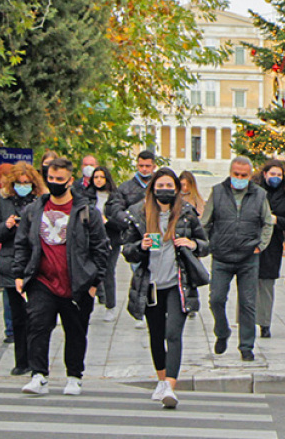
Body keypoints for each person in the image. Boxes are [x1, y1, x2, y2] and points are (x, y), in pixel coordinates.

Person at [14, 157, 109, 396]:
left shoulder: (87, 211)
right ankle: (38, 375)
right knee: (37, 326)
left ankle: (74, 376)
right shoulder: (34, 210)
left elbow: (101, 247)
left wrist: (95, 281)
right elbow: (22, 243)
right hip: (41, 280)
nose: (55, 182)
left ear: (70, 180)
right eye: (51, 178)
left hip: (77, 282)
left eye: (59, 179)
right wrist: (19, 274)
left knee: (76, 331)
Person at [122, 167, 210, 409]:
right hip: (150, 284)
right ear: (152, 188)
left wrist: (191, 243)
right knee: (156, 333)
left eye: (169, 187)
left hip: (177, 283)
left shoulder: (186, 213)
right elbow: (127, 251)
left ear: (177, 188)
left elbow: (205, 244)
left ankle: (170, 385)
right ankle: (161, 380)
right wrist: (141, 245)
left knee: (173, 334)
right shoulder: (138, 213)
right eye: (160, 186)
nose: (165, 191)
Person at [205, 156, 275, 361]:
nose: (239, 178)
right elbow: (206, 222)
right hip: (222, 255)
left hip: (248, 257)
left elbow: (267, 222)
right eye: (236, 174)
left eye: (244, 175)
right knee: (216, 298)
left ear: (250, 175)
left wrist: (260, 245)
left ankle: (246, 346)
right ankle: (222, 331)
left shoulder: (259, 194)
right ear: (230, 173)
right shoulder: (217, 192)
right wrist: (209, 244)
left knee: (248, 303)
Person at [0, 161, 45, 376]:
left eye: (27, 183)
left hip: (35, 264)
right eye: (19, 183)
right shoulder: (3, 204)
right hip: (11, 264)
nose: (23, 186)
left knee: (37, 316)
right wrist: (7, 225)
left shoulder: (40, 203)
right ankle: (21, 361)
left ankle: (36, 360)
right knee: (18, 316)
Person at [105, 150, 158, 323]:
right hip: (135, 236)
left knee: (156, 270)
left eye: (147, 166)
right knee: (139, 271)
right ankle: (141, 309)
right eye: (141, 166)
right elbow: (114, 208)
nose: (144, 169)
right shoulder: (126, 188)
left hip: (157, 233)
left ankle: (154, 306)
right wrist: (129, 220)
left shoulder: (159, 184)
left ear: (154, 166)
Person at [255, 160, 285, 339]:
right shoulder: (255, 192)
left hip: (273, 245)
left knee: (266, 285)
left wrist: (275, 220)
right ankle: (247, 321)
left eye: (279, 175)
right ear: (264, 174)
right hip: (253, 242)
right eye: (272, 174)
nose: (276, 178)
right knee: (248, 283)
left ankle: (265, 323)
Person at [89, 166, 117, 319]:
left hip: (111, 238)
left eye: (101, 177)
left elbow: (120, 221)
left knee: (108, 271)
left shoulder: (114, 197)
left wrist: (106, 221)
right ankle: (89, 306)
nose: (98, 180)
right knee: (91, 272)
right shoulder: (88, 196)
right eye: (96, 177)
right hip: (93, 238)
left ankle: (110, 306)